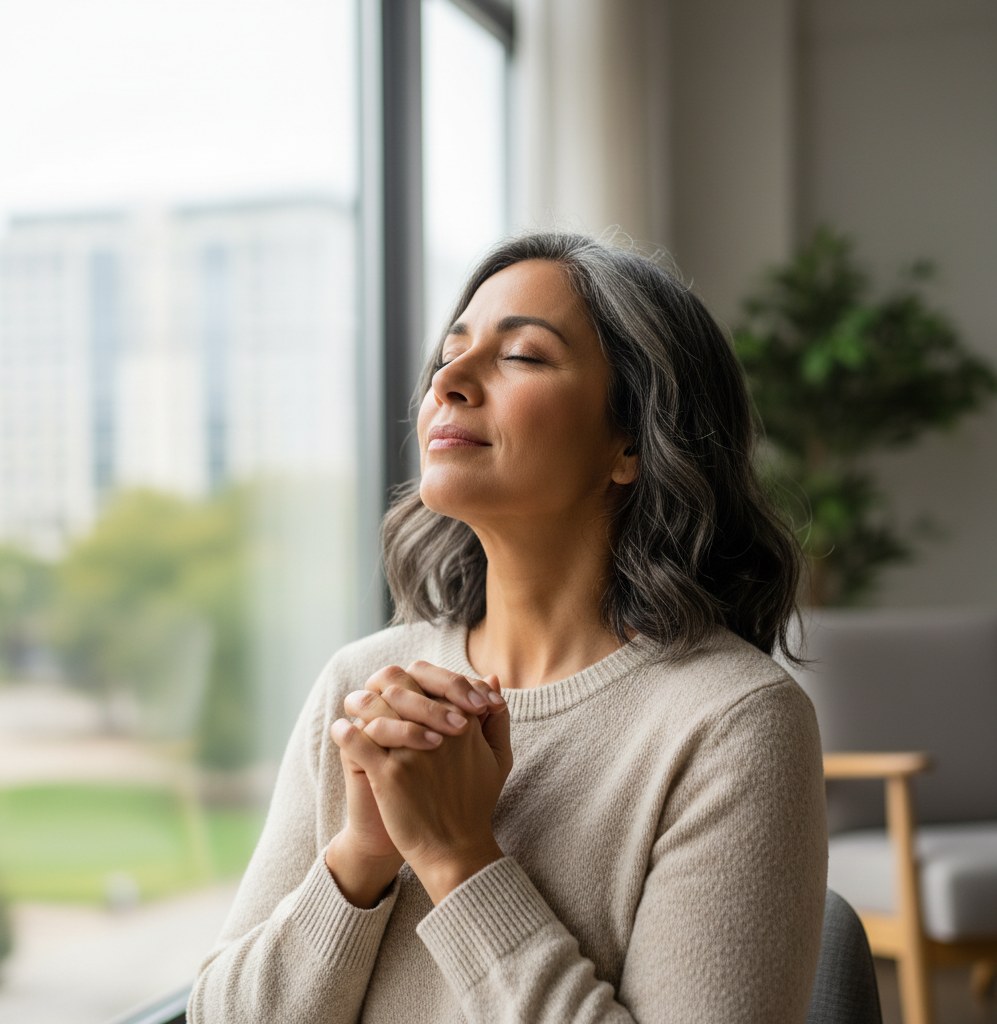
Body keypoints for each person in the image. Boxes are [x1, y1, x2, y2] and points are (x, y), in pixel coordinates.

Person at [187, 233, 828, 1024]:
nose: (448, 381)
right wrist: (361, 856)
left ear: (631, 437)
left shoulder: (734, 722)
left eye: (522, 356)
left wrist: (457, 856)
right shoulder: (361, 687)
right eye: (449, 355)